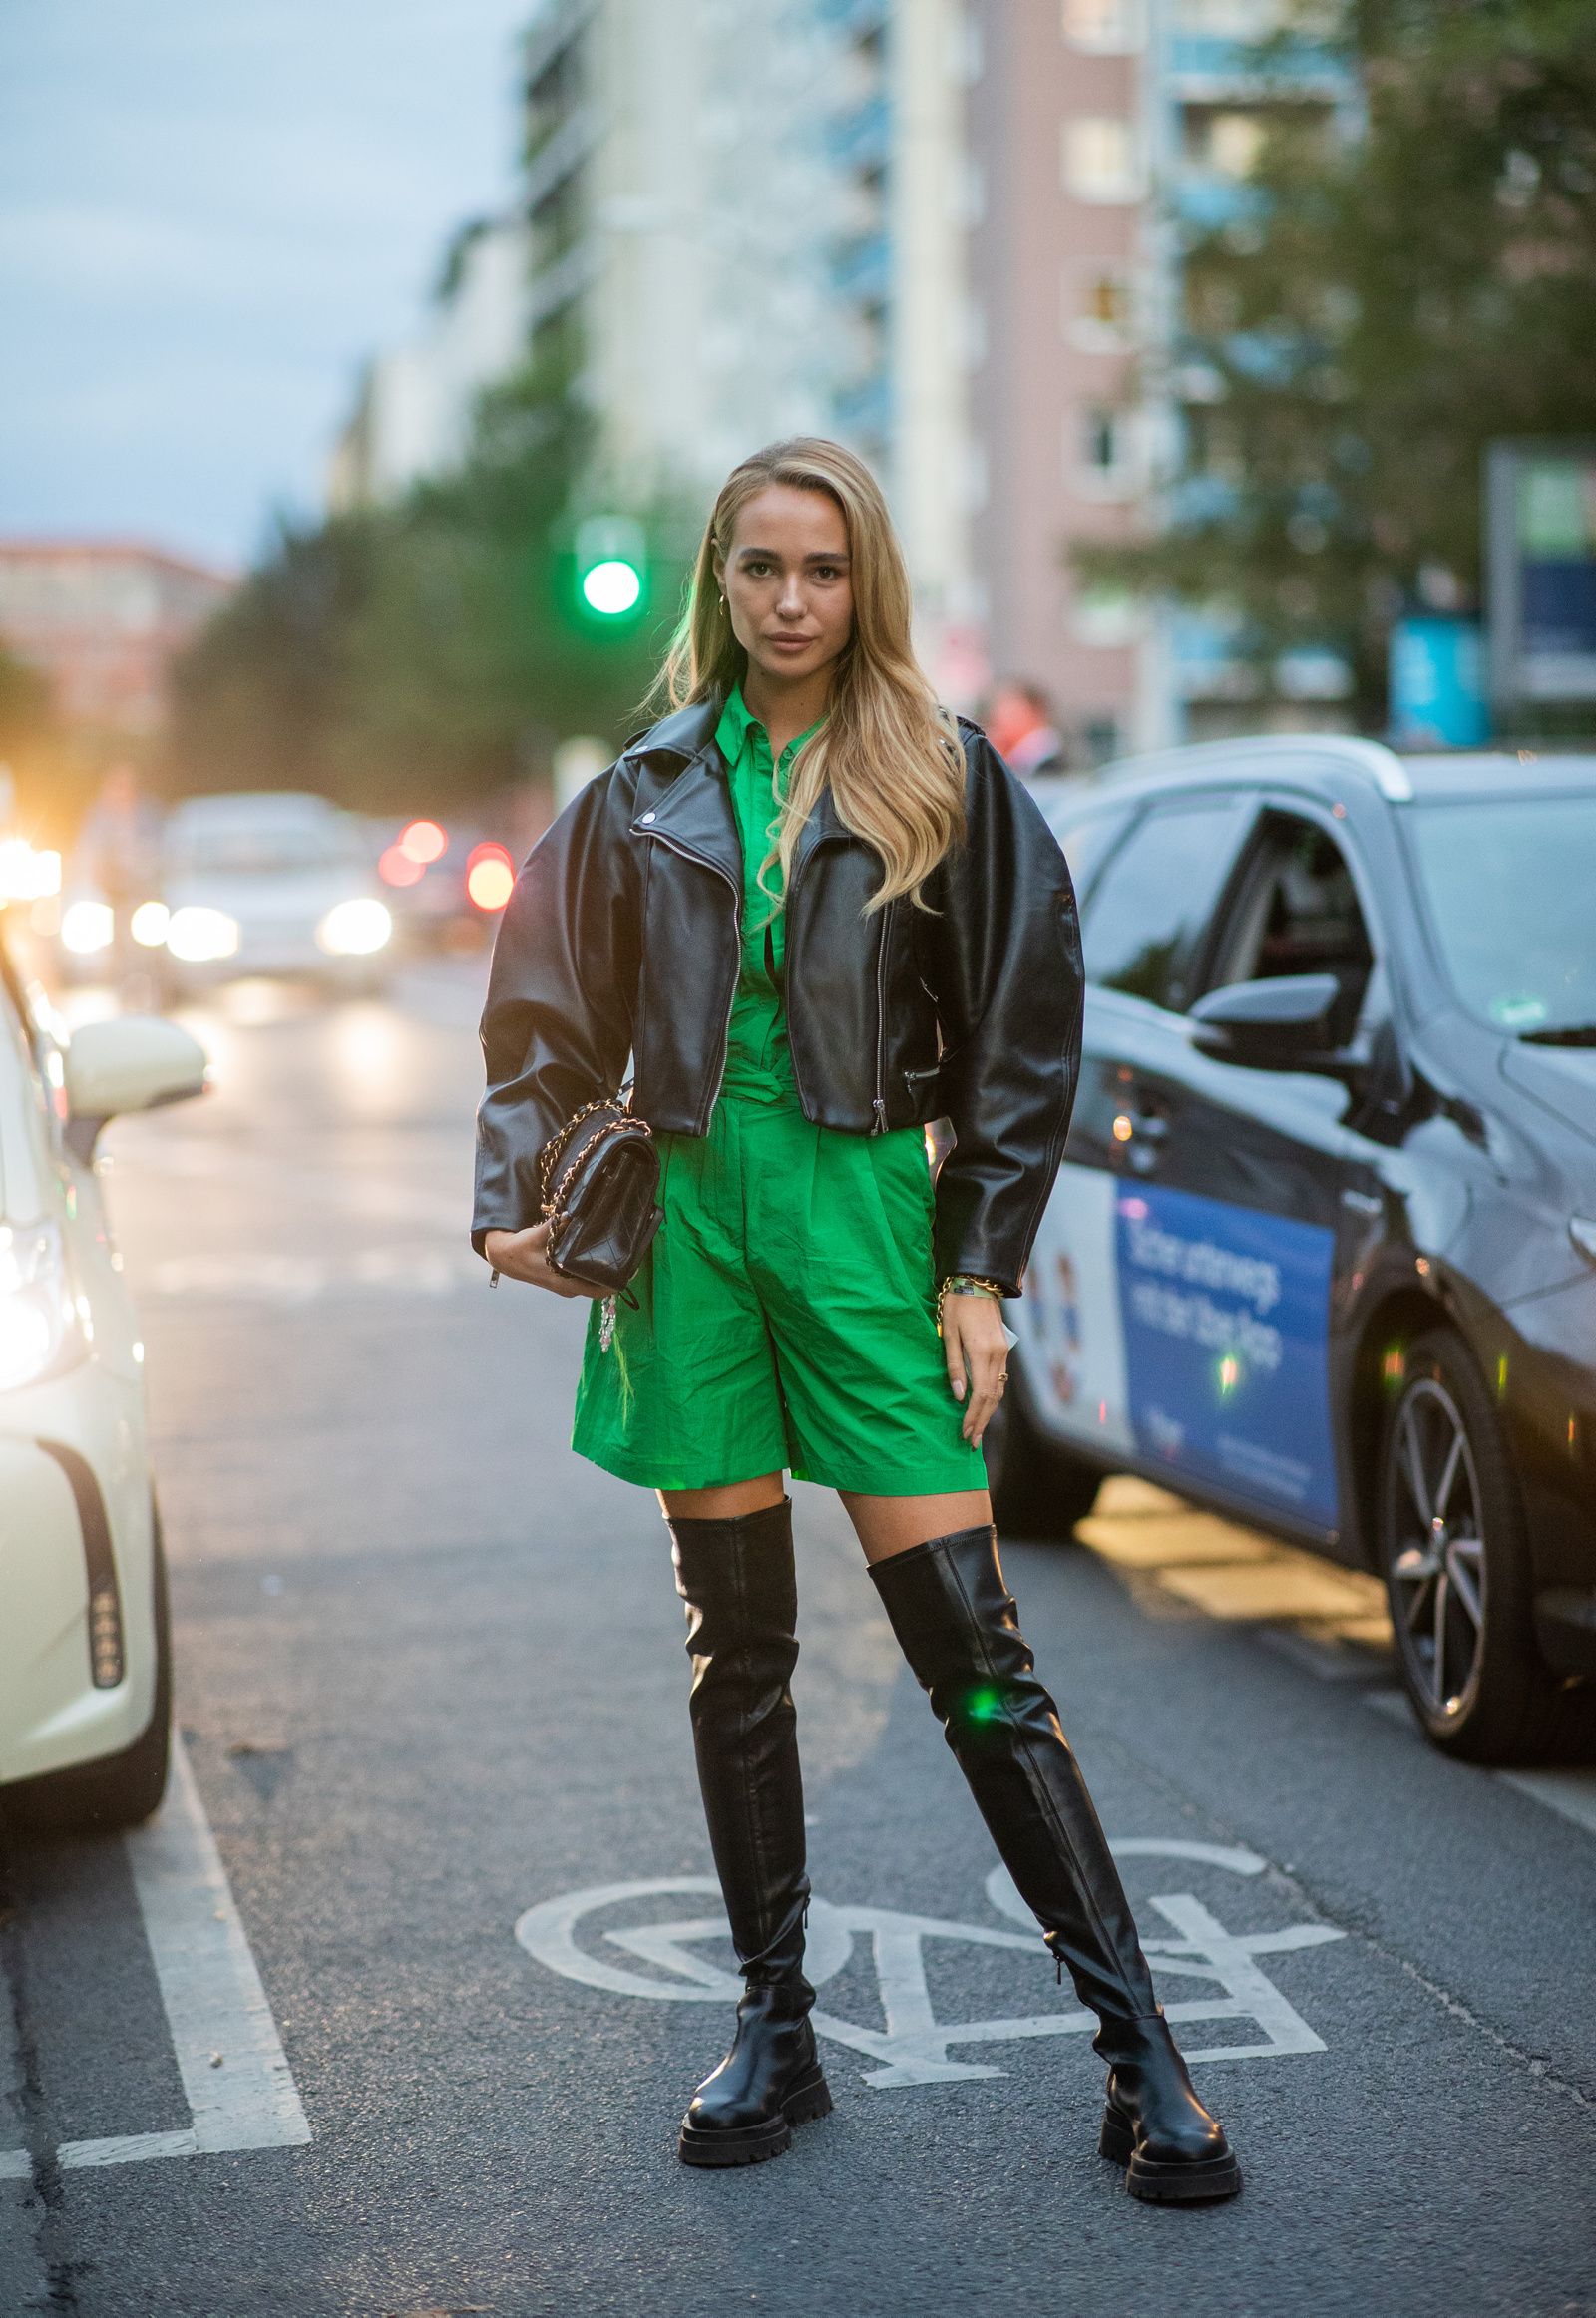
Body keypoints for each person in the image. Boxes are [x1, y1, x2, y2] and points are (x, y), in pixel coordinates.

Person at [473, 439, 1240, 2204]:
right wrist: (520, 1199)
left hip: (868, 1212)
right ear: (717, 582)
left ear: (864, 582)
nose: (792, 601)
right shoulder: (645, 786)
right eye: (760, 569)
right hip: (690, 1219)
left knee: (977, 1660)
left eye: (822, 570)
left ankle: (1144, 2056)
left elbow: (1025, 1040)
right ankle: (776, 2026)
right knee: (736, 1650)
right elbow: (540, 1005)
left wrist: (978, 1265)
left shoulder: (947, 778)